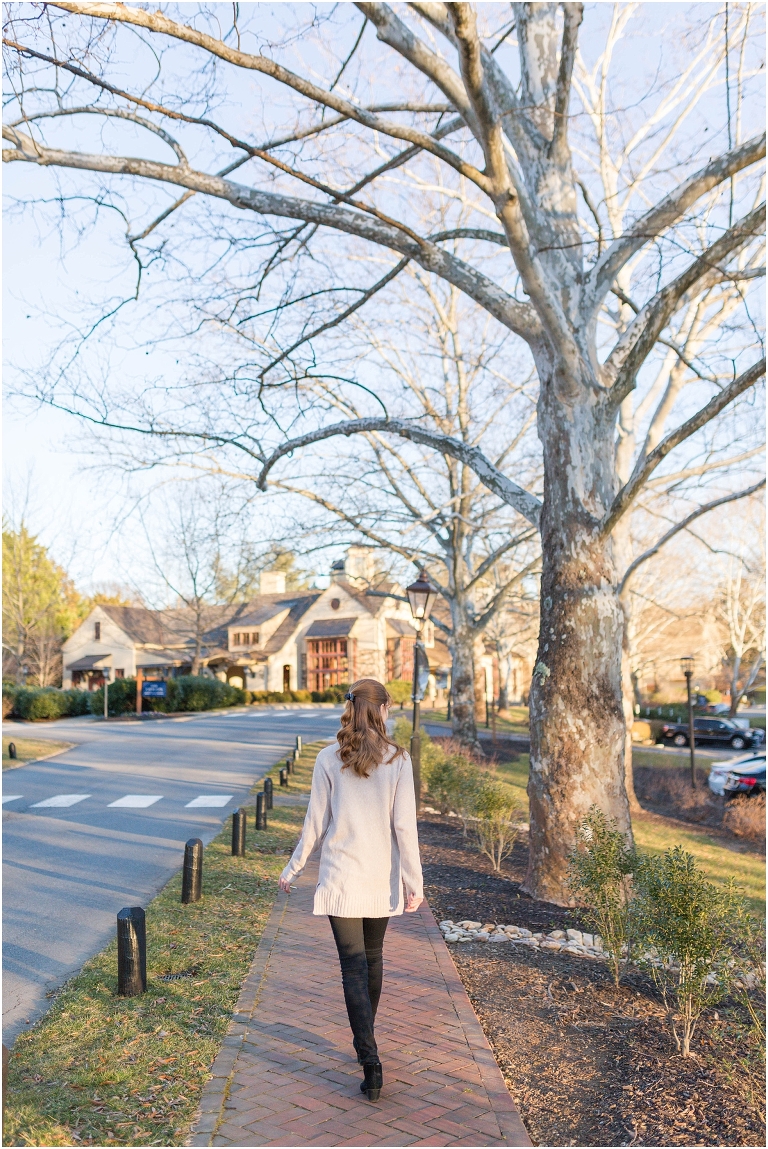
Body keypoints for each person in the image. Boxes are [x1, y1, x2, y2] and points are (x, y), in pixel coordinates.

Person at [278, 677, 423, 1102]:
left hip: (341, 876)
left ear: (350, 709)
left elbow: (315, 824)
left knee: (353, 968)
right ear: (381, 709)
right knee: (372, 960)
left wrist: (294, 867)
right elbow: (404, 828)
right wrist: (414, 881)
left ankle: (369, 1054)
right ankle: (368, 1049)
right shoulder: (398, 760)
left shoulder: (328, 758)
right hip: (380, 878)